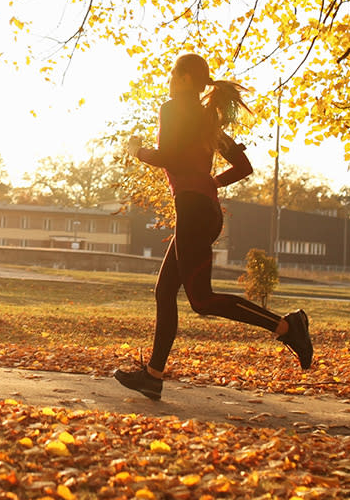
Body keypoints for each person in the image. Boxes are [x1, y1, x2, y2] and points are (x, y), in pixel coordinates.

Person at [114, 53, 313, 401]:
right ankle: (153, 375)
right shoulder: (208, 121)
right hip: (202, 207)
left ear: (187, 79)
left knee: (202, 300)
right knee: (165, 292)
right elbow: (243, 166)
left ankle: (287, 326)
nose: (170, 81)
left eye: (174, 75)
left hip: (193, 209)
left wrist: (137, 150)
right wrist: (211, 184)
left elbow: (168, 156)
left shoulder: (173, 108)